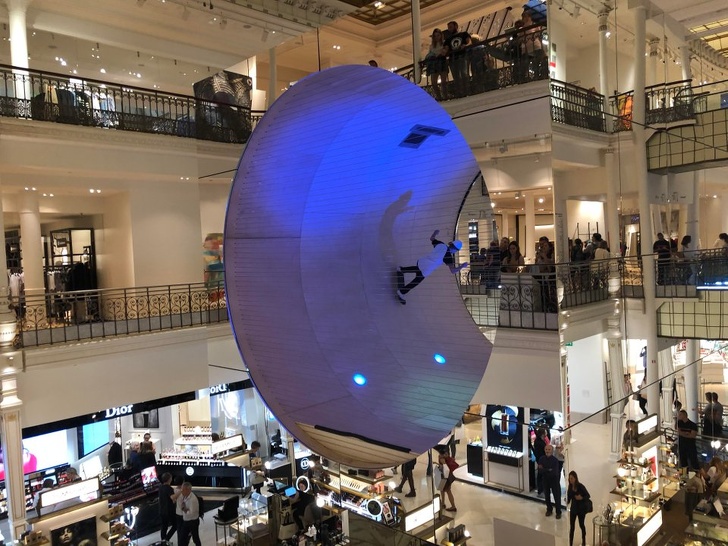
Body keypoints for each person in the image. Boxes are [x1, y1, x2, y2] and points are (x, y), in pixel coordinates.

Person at [396, 230, 468, 304]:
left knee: (416, 268)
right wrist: (462, 266)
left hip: (423, 261)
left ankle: (401, 269)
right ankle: (401, 292)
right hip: (427, 268)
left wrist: (435, 233)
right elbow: (453, 271)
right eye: (456, 250)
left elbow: (432, 238)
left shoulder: (441, 244)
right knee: (415, 282)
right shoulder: (448, 256)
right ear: (455, 249)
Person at [443, 21, 471, 98]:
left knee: (464, 73)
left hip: (463, 56)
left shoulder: (463, 34)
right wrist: (443, 51)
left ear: (456, 26)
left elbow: (469, 42)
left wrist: (465, 45)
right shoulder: (448, 40)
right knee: (456, 76)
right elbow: (446, 48)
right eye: (448, 28)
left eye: (451, 27)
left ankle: (467, 91)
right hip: (453, 59)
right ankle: (459, 93)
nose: (449, 29)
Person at [566, 471, 590, 546]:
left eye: (572, 478)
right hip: (573, 509)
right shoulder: (570, 487)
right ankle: (570, 544)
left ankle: (584, 541)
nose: (570, 480)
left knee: (581, 525)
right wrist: (567, 500)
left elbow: (588, 495)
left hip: (581, 509)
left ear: (575, 478)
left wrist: (581, 498)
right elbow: (569, 497)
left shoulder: (580, 486)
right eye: (569, 478)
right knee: (572, 527)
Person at [424, 29, 449, 101]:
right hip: (434, 64)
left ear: (441, 35)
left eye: (438, 35)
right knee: (434, 83)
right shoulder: (432, 46)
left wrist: (441, 53)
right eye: (435, 36)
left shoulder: (444, 43)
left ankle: (446, 97)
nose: (437, 37)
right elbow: (430, 54)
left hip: (442, 62)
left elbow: (445, 52)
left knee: (443, 82)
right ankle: (439, 97)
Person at [538, 444, 562, 519]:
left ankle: (558, 512)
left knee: (556, 496)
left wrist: (544, 469)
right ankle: (549, 509)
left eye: (549, 449)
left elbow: (554, 472)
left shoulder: (555, 460)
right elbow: (540, 471)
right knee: (547, 496)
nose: (547, 451)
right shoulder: (541, 459)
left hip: (554, 480)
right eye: (546, 449)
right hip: (545, 480)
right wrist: (548, 469)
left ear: (552, 451)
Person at [177, 482, 202, 546]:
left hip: (192, 522)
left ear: (188, 490)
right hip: (186, 520)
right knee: (182, 539)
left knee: (195, 538)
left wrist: (184, 509)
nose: (181, 491)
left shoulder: (192, 500)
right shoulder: (185, 496)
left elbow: (191, 513)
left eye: (183, 490)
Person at [436, 445, 459, 512]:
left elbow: (443, 467)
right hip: (448, 475)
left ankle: (452, 506)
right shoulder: (446, 455)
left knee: (447, 491)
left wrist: (437, 464)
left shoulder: (441, 457)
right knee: (443, 490)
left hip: (444, 476)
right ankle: (443, 503)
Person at [159, 472, 179, 544]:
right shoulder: (169, 488)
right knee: (175, 525)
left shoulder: (160, 487)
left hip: (162, 510)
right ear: (169, 479)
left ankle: (163, 541)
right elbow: (172, 497)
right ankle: (166, 539)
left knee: (164, 527)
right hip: (169, 511)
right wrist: (180, 492)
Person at [532, 427, 548, 495]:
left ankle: (542, 489)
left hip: (541, 460)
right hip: (541, 461)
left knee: (541, 475)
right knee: (541, 475)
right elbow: (539, 453)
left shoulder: (539, 441)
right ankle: (540, 490)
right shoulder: (539, 442)